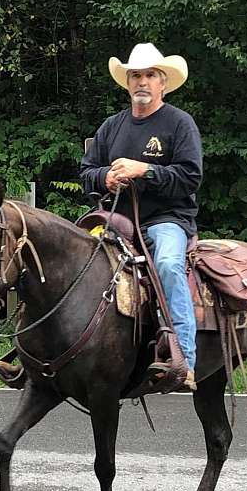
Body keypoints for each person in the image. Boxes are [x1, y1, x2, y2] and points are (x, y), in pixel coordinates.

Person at [80, 43, 203, 391]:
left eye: (150, 75)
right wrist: (105, 177)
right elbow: (87, 171)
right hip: (116, 219)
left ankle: (184, 361)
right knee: (75, 261)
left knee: (167, 264)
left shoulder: (179, 124)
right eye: (136, 75)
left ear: (162, 82)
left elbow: (190, 178)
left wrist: (144, 170)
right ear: (127, 82)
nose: (142, 82)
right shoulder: (111, 126)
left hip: (166, 219)